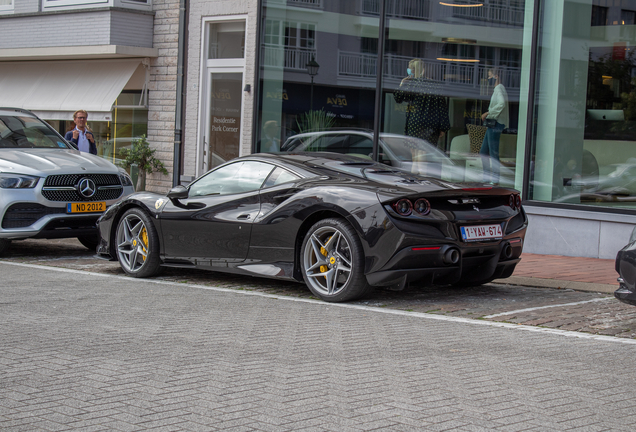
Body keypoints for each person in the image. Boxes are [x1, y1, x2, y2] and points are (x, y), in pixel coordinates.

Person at [393, 58, 450, 145]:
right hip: (432, 125)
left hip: (415, 122)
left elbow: (398, 98)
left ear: (413, 70)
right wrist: (443, 127)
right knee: (426, 152)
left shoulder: (411, 84)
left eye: (409, 68)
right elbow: (442, 107)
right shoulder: (435, 85)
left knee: (415, 152)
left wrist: (402, 83)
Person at [480, 68, 509, 184]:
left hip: (495, 124)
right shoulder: (499, 89)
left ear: (496, 76)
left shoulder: (499, 88)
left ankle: (494, 178)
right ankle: (487, 177)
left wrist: (488, 113)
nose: (488, 79)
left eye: (489, 76)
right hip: (494, 124)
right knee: (484, 152)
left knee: (493, 152)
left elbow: (501, 103)